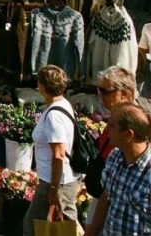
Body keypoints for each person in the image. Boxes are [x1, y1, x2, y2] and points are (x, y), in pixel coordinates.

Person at [23, 65, 80, 236]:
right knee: (62, 226)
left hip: (56, 181)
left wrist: (54, 189)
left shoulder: (54, 115)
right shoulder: (63, 104)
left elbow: (58, 154)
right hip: (57, 179)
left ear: (42, 86)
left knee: (34, 226)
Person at [83, 102, 151, 236]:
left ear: (128, 135)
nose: (106, 129)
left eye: (111, 125)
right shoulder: (115, 156)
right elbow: (106, 197)